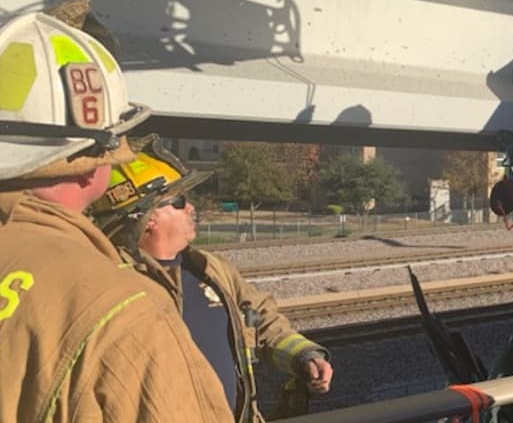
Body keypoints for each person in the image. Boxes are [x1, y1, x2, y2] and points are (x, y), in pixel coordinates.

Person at [0, 10, 234, 423]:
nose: (190, 208)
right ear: (95, 164)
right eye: (176, 201)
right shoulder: (126, 310)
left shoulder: (206, 272)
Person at [92, 136, 334, 423]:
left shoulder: (211, 269)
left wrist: (303, 356)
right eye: (180, 201)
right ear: (147, 217)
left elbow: (263, 320)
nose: (192, 208)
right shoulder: (115, 284)